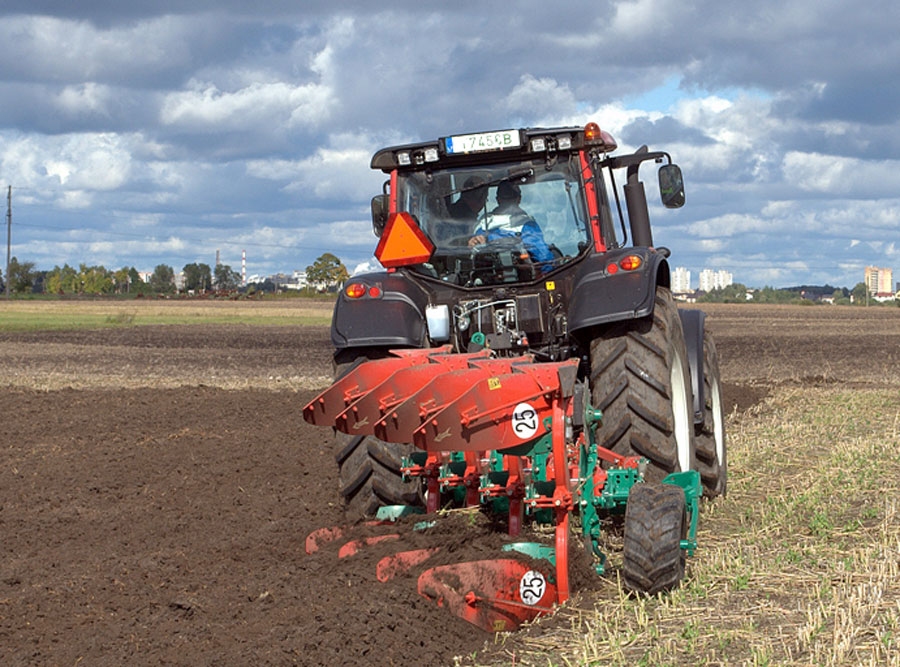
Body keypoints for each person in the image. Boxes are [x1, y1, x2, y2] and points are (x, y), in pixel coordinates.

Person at [468, 181, 554, 266]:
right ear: (519, 199)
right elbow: (544, 258)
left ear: (498, 199)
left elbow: (473, 252)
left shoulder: (483, 224)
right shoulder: (527, 225)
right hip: (527, 277)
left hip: (489, 275)